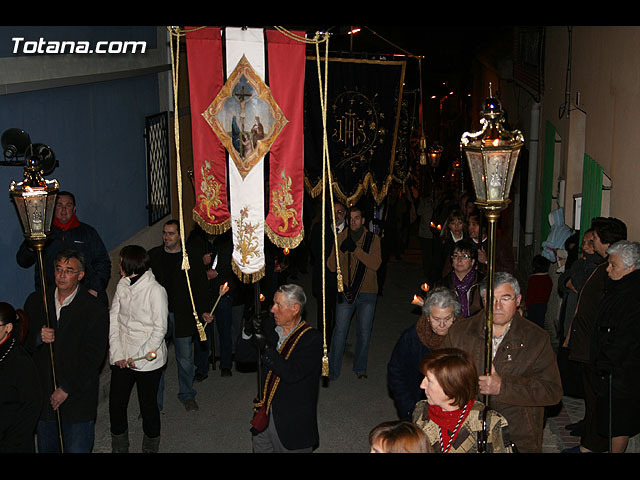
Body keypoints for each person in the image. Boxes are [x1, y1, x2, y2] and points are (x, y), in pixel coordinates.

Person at [442, 272, 563, 453]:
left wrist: (503, 386)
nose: (497, 306)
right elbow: (440, 380)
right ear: (483, 300)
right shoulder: (459, 333)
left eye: (505, 298)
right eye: (491, 299)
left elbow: (552, 392)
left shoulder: (537, 339)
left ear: (518, 300)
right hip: (466, 435)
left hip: (517, 435)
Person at [24, 249, 109, 453]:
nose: (62, 275)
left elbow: (93, 357)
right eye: (59, 269)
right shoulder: (37, 301)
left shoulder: (93, 308)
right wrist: (37, 338)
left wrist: (67, 388)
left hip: (78, 399)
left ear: (80, 275)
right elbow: (23, 345)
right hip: (46, 399)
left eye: (69, 271)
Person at [562, 216, 627, 453]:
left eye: (595, 238)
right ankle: (588, 442)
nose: (592, 241)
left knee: (596, 400)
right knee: (590, 399)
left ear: (605, 241)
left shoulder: (609, 270)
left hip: (595, 346)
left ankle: (591, 446)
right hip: (587, 344)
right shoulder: (601, 266)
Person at [246, 284, 323, 453]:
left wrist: (267, 349)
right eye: (273, 304)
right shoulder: (270, 328)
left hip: (292, 425)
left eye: (278, 305)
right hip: (263, 416)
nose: (272, 310)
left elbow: (291, 373)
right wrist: (247, 330)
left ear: (295, 309)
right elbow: (243, 357)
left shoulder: (312, 340)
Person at [108, 245, 168, 453]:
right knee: (116, 404)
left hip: (146, 358)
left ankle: (150, 447)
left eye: (121, 261)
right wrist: (117, 354)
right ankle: (120, 446)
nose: (118, 267)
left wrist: (136, 358)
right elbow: (114, 320)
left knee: (148, 406)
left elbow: (160, 329)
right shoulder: (122, 285)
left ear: (129, 263)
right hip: (122, 356)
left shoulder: (155, 291)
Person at [148, 219, 212, 412]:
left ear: (180, 236)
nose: (167, 237)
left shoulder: (190, 257)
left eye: (171, 233)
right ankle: (154, 403)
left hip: (183, 315)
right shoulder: (154, 256)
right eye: (165, 233)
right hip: (159, 315)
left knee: (185, 359)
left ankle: (187, 395)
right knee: (156, 359)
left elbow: (200, 286)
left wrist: (203, 310)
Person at [16, 191, 111, 306]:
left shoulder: (87, 233)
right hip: (50, 298)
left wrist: (94, 289)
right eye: (59, 205)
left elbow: (103, 263)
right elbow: (23, 261)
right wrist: (31, 246)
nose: (63, 210)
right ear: (52, 208)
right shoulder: (42, 233)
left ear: (74, 209)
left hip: (83, 297)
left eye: (68, 205)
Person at [590, 240, 640, 453]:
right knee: (612, 420)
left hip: (621, 373)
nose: (608, 269)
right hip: (612, 370)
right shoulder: (620, 286)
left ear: (630, 268)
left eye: (613, 265)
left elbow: (627, 336)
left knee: (618, 422)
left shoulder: (632, 294)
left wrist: (607, 363)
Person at [412, 348, 513, 453]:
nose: (422, 385)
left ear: (451, 386)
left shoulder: (489, 422)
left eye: (429, 380)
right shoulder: (421, 412)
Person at [387, 287, 461, 420]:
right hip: (418, 406)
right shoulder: (412, 337)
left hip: (454, 410)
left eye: (448, 318)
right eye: (436, 319)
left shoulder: (462, 337)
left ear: (455, 316)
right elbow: (396, 372)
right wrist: (408, 409)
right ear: (427, 317)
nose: (442, 324)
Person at [327, 204, 382, 379]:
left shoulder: (373, 239)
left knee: (364, 332)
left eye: (357, 218)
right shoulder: (341, 237)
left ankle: (360, 367)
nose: (353, 222)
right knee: (340, 331)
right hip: (346, 292)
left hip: (367, 293)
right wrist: (341, 250)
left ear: (363, 220)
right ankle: (333, 370)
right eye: (350, 218)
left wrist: (356, 250)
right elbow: (331, 267)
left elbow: (375, 264)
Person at [0, 302, 42, 453]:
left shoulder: (20, 361)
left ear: (8, 328)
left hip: (13, 443)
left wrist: (11, 441)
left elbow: (32, 405)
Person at [309, 200, 346, 349]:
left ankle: (337, 345)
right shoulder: (320, 228)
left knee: (340, 316)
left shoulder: (350, 231)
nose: (336, 215)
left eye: (340, 212)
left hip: (343, 282)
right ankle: (324, 345)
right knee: (324, 316)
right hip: (324, 279)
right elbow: (316, 253)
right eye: (333, 212)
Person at [437, 239, 484, 318]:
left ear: (472, 261)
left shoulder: (483, 283)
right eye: (455, 256)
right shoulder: (443, 285)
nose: (459, 260)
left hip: (477, 326)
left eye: (464, 256)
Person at [429, 208, 467, 284]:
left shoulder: (468, 240)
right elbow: (436, 265)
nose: (456, 227)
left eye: (459, 223)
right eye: (453, 223)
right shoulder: (442, 242)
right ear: (449, 225)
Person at [524, 255, 552, 329]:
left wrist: (526, 304)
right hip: (543, 305)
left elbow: (529, 294)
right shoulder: (548, 279)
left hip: (533, 306)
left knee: (532, 324)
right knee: (540, 323)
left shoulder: (533, 279)